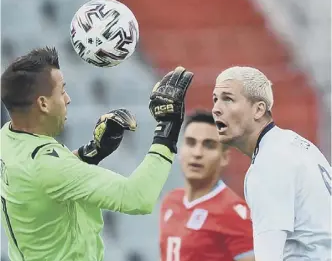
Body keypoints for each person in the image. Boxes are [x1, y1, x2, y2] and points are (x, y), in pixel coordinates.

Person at [0, 46, 194, 261]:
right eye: (62, 91)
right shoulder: (48, 165)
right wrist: (167, 128)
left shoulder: (7, 139)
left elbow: (44, 180)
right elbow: (137, 197)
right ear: (43, 103)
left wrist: (92, 152)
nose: (68, 99)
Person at [212, 66, 331, 261]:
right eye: (215, 99)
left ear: (258, 109)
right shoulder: (296, 144)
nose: (216, 108)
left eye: (228, 99)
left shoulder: (267, 165)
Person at [159, 110, 255, 261]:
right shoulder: (170, 202)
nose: (197, 153)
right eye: (191, 143)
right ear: (179, 151)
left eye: (208, 145)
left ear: (224, 157)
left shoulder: (235, 214)